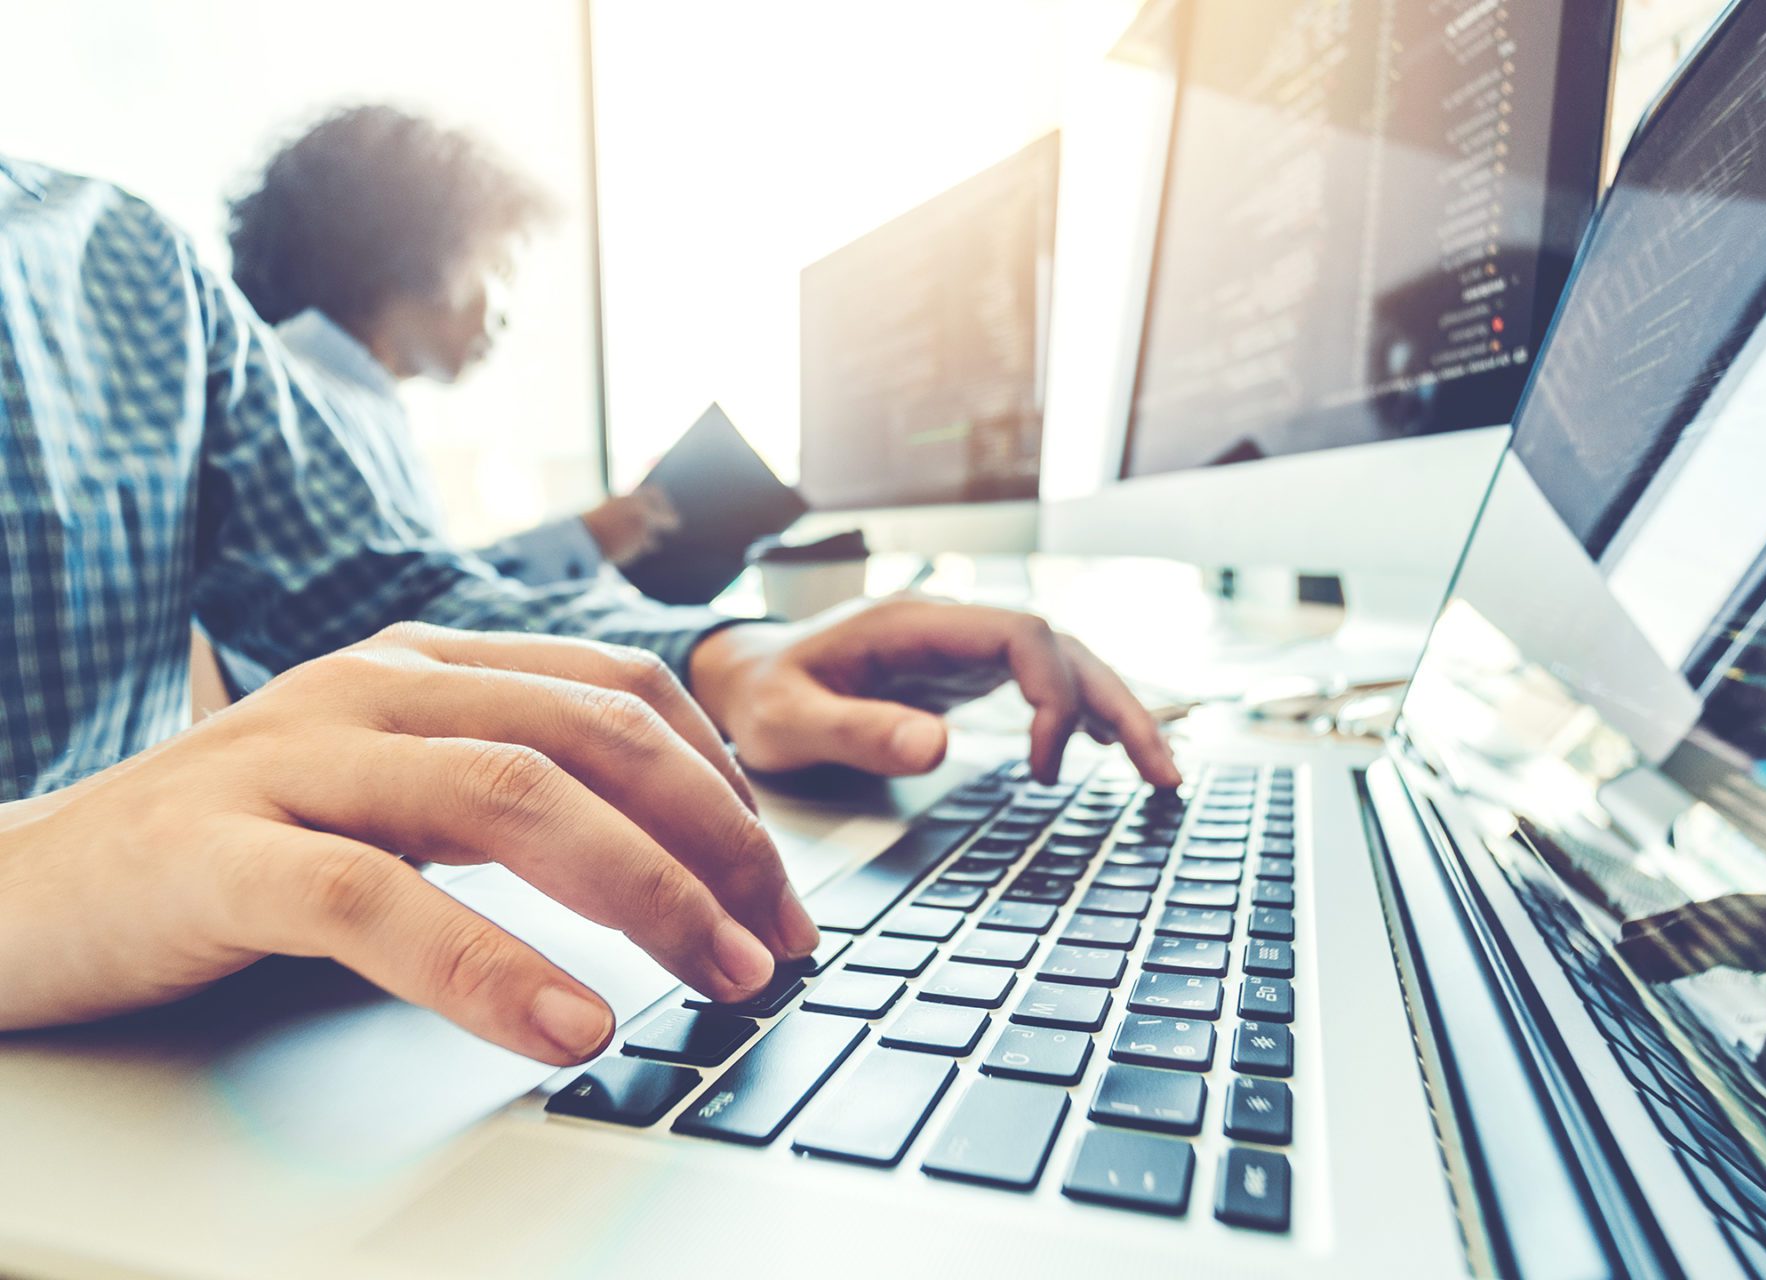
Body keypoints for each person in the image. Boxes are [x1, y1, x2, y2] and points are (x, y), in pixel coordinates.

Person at [0, 153, 1180, 1070]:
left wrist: (727, 659)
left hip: (160, 1067)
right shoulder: (313, 363)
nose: (503, 307)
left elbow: (378, 594)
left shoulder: (124, 263)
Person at [226, 103, 678, 585]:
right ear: (422, 248)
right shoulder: (302, 402)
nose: (503, 313)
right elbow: (398, 609)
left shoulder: (347, 396)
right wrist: (583, 541)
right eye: (498, 269)